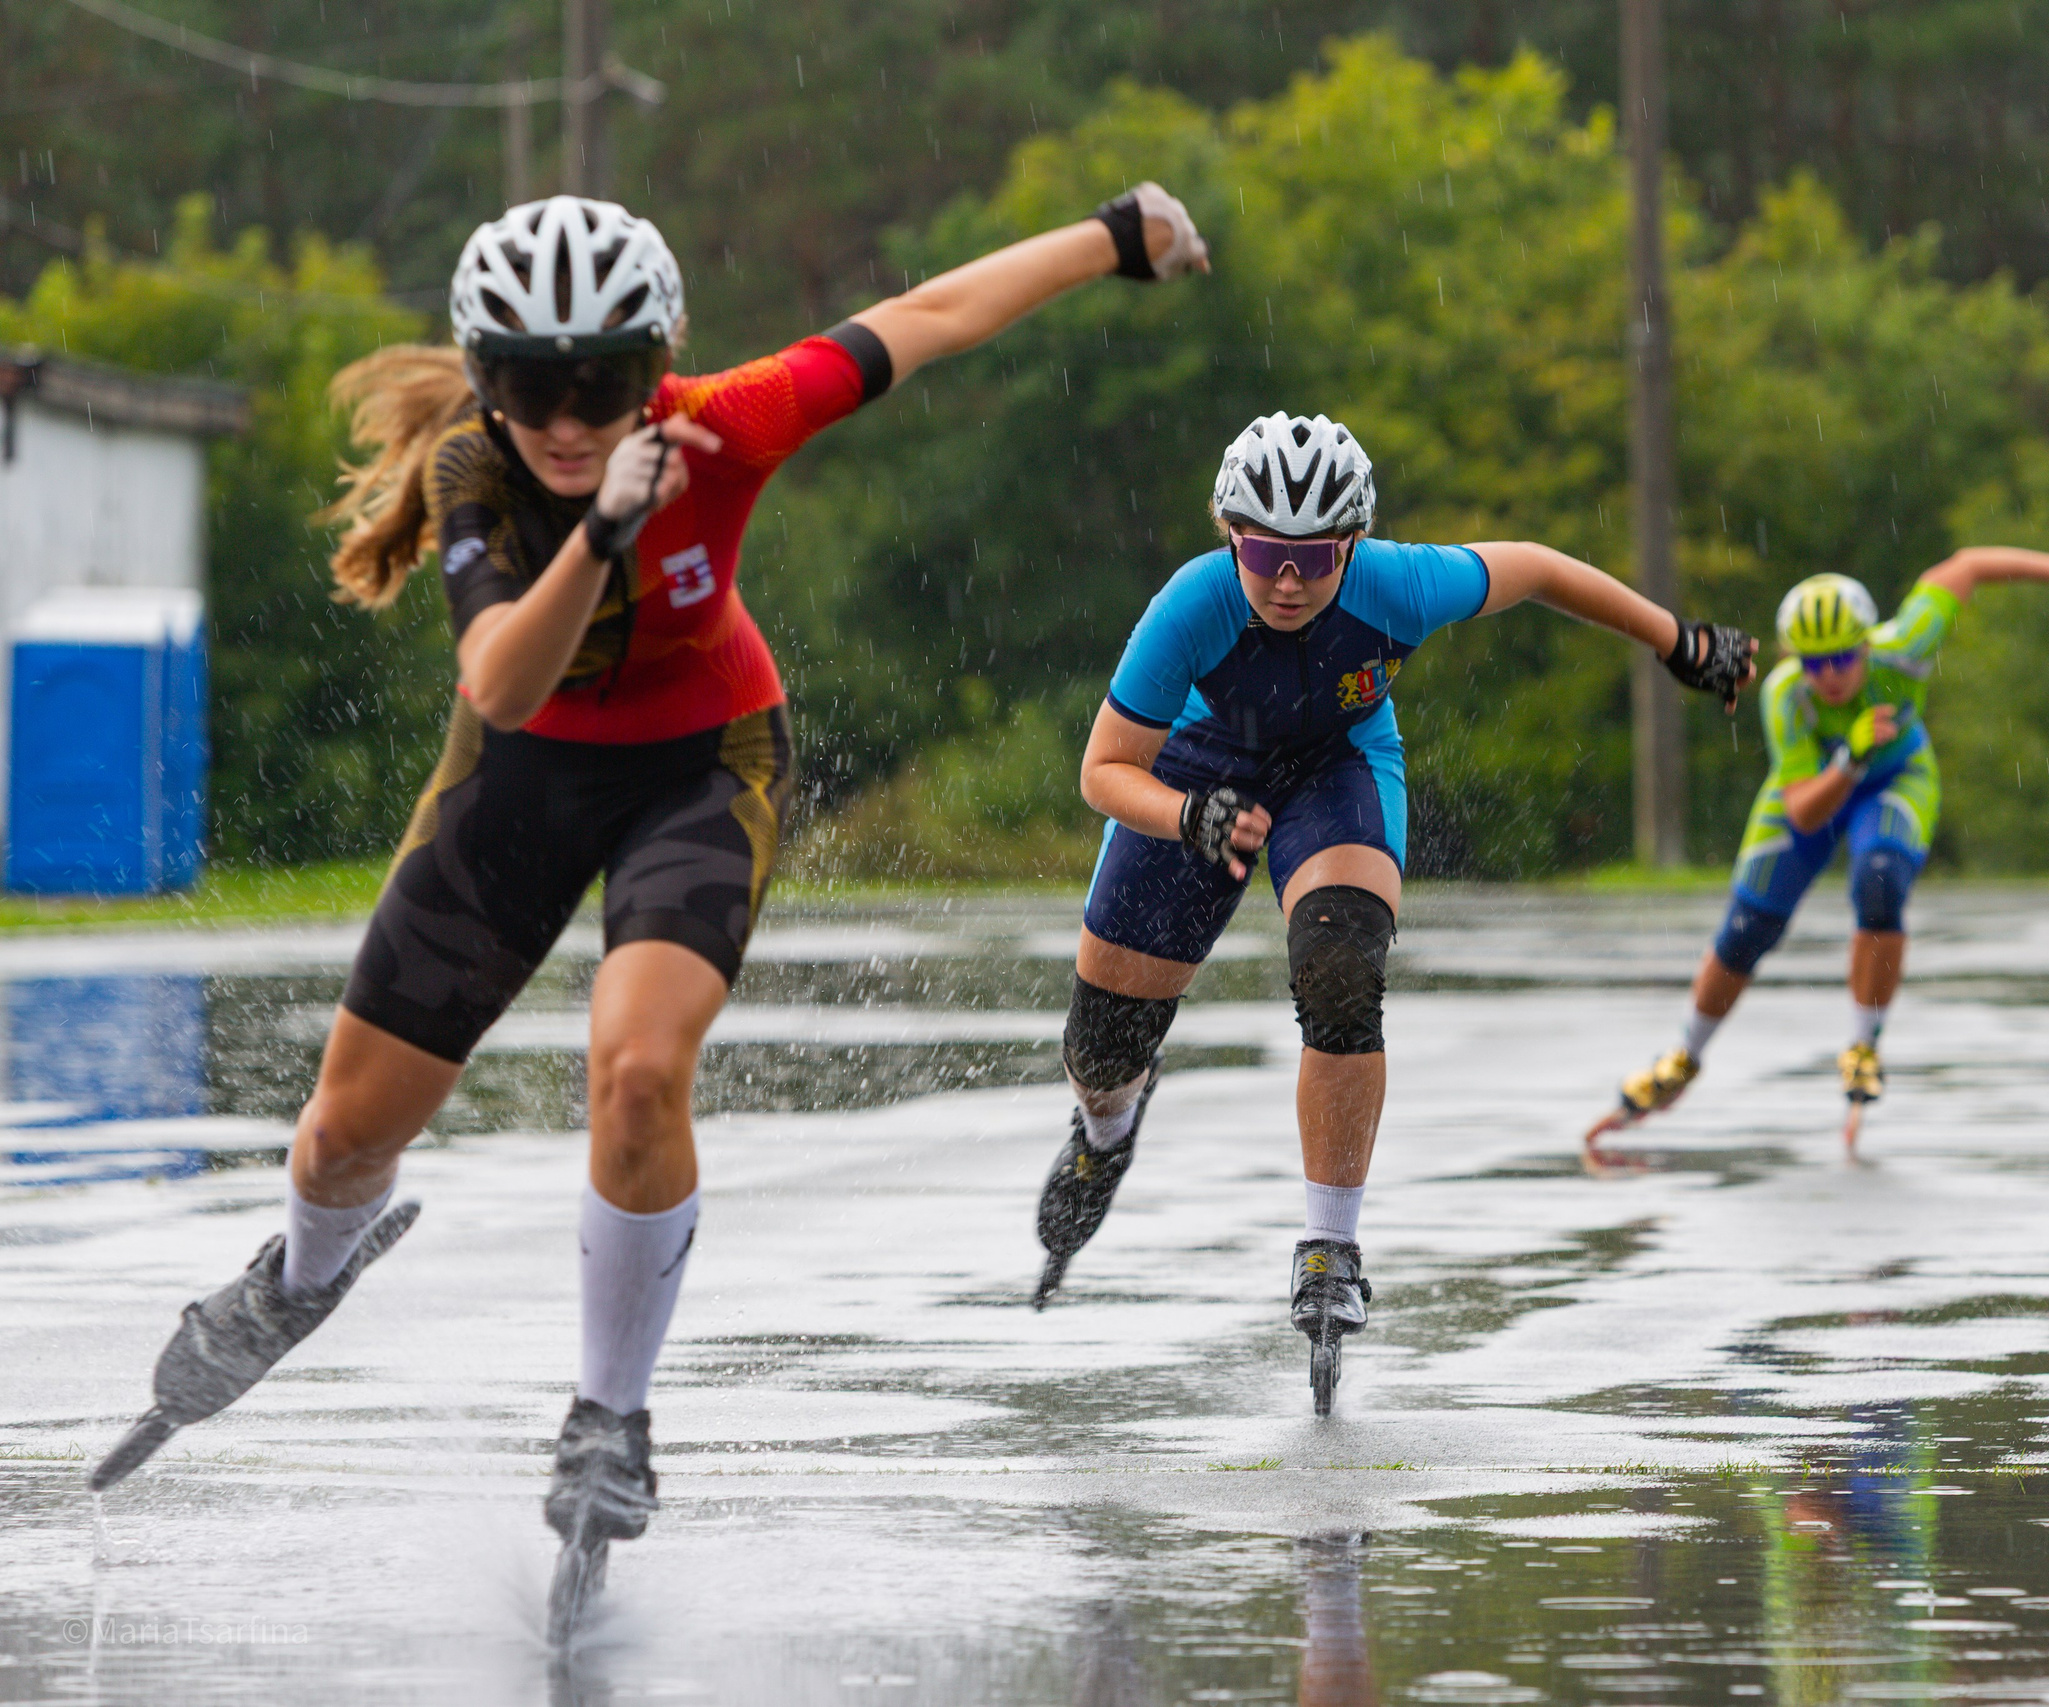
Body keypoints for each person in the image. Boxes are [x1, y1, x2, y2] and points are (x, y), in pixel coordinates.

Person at [89, 189, 1212, 1561]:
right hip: (519, 772)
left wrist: (1110, 238)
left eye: (604, 384)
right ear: (481, 379)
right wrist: (603, 529)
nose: (565, 422)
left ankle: (609, 1417)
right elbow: (501, 681)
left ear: (660, 358)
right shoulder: (471, 470)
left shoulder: (725, 420)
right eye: (525, 387)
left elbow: (922, 319)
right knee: (338, 1141)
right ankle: (298, 1281)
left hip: (703, 763)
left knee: (633, 1074)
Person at [1029, 411, 1758, 1410]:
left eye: (1316, 558)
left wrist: (1679, 641)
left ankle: (1331, 1243)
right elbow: (1103, 771)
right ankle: (1105, 1131)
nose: (1288, 580)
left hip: (1336, 766)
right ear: (1228, 536)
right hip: (1194, 773)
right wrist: (1188, 815)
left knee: (1339, 969)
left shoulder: (1401, 584)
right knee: (1104, 1053)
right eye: (1265, 553)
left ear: (1353, 546)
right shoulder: (1190, 606)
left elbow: (1540, 568)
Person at [1591, 541, 2049, 1155]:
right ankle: (1684, 1058)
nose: (1830, 675)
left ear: (1867, 644)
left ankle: (1862, 1046)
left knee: (1879, 883)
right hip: (1819, 787)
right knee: (1747, 930)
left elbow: (1968, 566)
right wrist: (1849, 757)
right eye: (1815, 662)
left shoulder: (1907, 646)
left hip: (1895, 778)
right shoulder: (1786, 694)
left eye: (1843, 657)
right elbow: (1802, 811)